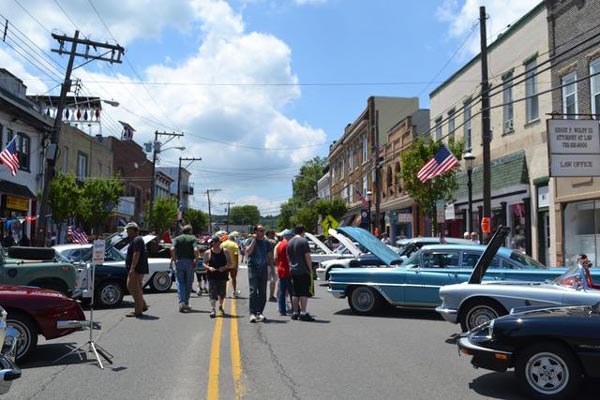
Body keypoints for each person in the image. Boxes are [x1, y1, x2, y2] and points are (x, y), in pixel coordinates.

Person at [245, 224, 274, 323]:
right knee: (253, 291)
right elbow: (248, 252)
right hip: (253, 268)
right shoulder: (250, 240)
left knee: (263, 292)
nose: (262, 232)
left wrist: (273, 271)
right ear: (255, 231)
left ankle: (259, 312)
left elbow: (270, 257)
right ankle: (252, 313)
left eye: (263, 230)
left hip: (263, 269)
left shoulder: (267, 243)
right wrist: (253, 240)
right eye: (261, 230)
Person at [287, 224, 315, 321]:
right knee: (303, 292)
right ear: (303, 231)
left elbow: (288, 257)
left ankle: (295, 312)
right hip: (302, 269)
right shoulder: (303, 241)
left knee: (295, 292)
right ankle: (303, 312)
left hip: (293, 269)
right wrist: (310, 269)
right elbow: (307, 256)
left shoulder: (289, 242)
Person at [171, 225, 200, 313]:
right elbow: (195, 250)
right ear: (190, 231)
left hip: (179, 261)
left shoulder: (177, 239)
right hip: (189, 262)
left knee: (180, 282)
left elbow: (172, 249)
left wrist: (175, 259)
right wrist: (197, 260)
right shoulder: (192, 239)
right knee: (189, 282)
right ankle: (186, 302)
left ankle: (182, 302)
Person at [124, 222, 148, 318]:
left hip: (137, 269)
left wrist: (132, 268)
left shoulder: (137, 239)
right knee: (134, 287)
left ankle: (138, 311)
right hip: (137, 268)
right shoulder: (136, 239)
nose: (127, 232)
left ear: (133, 230)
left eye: (129, 230)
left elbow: (136, 253)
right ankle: (143, 305)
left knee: (134, 288)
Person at [204, 236, 231, 318]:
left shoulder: (225, 251)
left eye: (217, 242)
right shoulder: (208, 252)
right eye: (214, 242)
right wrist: (209, 268)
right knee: (212, 293)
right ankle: (213, 309)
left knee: (222, 293)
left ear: (220, 243)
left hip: (222, 275)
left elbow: (230, 263)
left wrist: (225, 267)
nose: (215, 244)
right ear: (212, 243)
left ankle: (220, 306)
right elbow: (204, 263)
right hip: (212, 275)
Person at [274, 229, 293, 316]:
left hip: (280, 268)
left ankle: (282, 309)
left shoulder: (279, 245)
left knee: (282, 290)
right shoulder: (288, 245)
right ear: (289, 236)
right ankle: (295, 308)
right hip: (287, 269)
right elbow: (289, 257)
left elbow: (276, 258)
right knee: (291, 290)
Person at [265, 229, 278, 302]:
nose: (274, 235)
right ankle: (271, 295)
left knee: (263, 281)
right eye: (273, 234)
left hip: (264, 264)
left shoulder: (262, 241)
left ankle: (262, 295)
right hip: (273, 263)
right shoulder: (273, 242)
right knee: (273, 280)